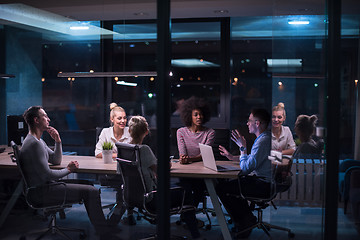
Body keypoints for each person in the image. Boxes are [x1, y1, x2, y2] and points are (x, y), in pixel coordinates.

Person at [20, 106, 114, 236]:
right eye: (45, 116)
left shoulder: (38, 140)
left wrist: (58, 141)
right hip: (42, 192)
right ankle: (105, 234)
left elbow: (56, 160)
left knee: (88, 185)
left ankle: (103, 230)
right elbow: (48, 175)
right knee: (91, 191)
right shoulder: (34, 143)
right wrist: (69, 170)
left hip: (44, 187)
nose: (48, 119)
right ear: (36, 120)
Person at [128, 116, 201, 239]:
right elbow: (160, 171)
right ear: (146, 131)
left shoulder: (123, 149)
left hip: (133, 197)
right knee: (186, 191)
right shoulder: (144, 149)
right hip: (151, 198)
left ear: (129, 131)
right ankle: (195, 235)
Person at [216, 108, 272, 239]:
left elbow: (246, 168)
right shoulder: (265, 138)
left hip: (263, 184)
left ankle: (244, 222)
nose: (247, 123)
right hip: (264, 181)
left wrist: (242, 148)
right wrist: (232, 157)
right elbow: (253, 160)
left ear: (257, 123)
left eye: (249, 121)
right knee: (228, 185)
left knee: (221, 188)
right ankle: (246, 219)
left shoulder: (262, 141)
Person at [176, 96, 215, 226]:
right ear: (189, 116)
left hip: (203, 171)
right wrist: (183, 158)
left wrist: (189, 159)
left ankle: (187, 216)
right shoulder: (181, 132)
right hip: (186, 171)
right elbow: (182, 153)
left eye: (201, 114)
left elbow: (204, 155)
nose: (199, 117)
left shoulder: (210, 133)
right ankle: (188, 216)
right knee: (186, 187)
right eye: (196, 114)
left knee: (198, 188)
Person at [95, 103, 135, 225]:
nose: (123, 121)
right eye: (119, 118)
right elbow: (97, 153)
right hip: (110, 172)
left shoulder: (131, 132)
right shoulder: (105, 132)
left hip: (128, 172)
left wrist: (111, 154)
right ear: (112, 120)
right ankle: (118, 215)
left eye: (124, 118)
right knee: (125, 188)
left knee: (128, 185)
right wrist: (120, 155)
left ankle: (119, 216)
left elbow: (135, 153)